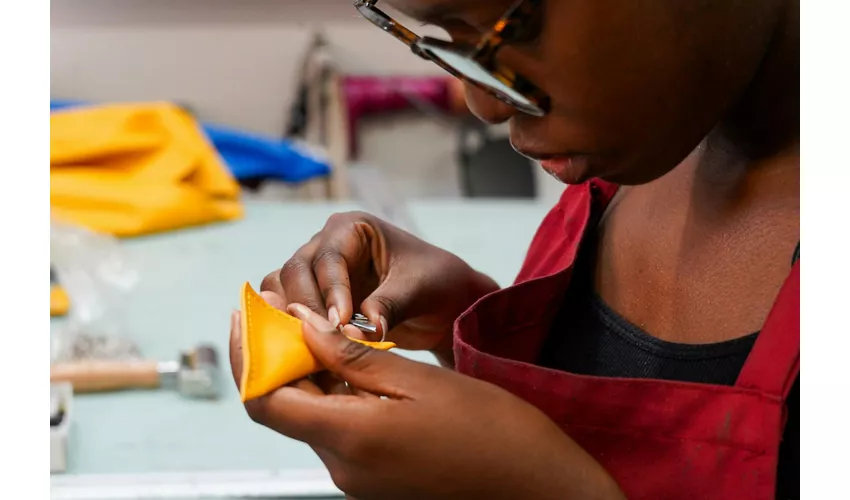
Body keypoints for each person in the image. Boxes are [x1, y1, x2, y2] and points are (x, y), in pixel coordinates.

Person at [228, 0, 799, 498]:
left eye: (509, 26)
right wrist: (462, 321)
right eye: (446, 39)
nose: (486, 104)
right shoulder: (635, 153)